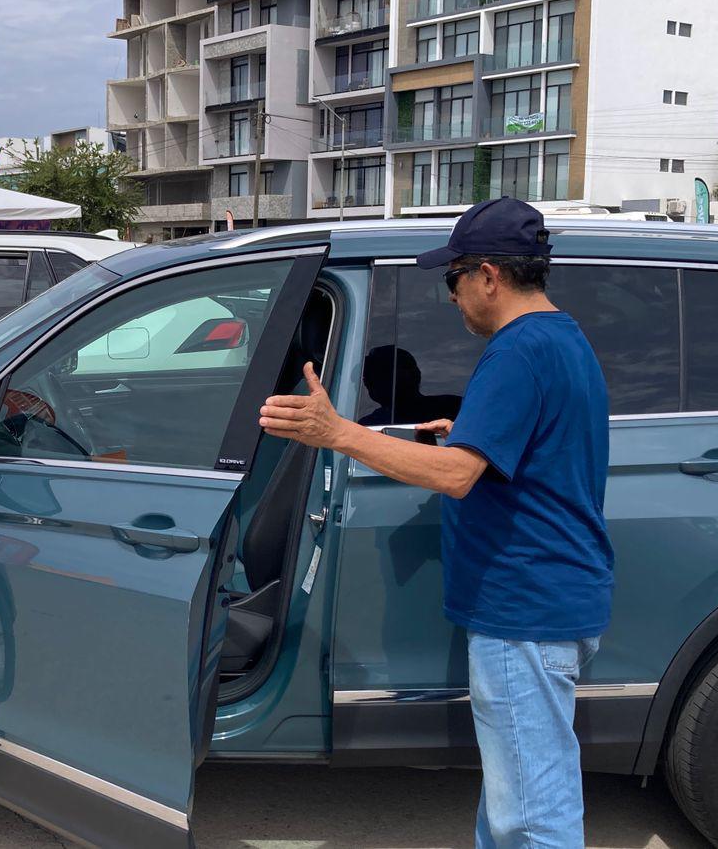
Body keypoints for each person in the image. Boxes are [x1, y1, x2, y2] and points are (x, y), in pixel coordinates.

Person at [259, 197, 612, 849]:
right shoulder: (562, 338)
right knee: (514, 798)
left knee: (534, 815)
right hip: (553, 596)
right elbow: (540, 449)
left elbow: (456, 477)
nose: (451, 295)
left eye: (453, 278)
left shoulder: (517, 352)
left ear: (488, 276)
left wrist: (337, 432)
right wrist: (472, 432)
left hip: (524, 608)